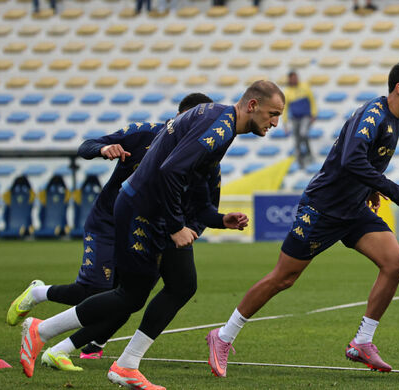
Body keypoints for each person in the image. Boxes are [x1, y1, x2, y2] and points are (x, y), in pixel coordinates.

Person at [18, 82, 285, 389]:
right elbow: (171, 171)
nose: (275, 123)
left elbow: (196, 187)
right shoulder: (220, 125)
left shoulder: (220, 123)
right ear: (252, 105)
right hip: (141, 210)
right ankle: (46, 333)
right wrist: (176, 227)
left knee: (181, 285)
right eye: (273, 113)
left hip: (153, 211)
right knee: (131, 295)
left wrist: (220, 219)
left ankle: (124, 363)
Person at [207, 63, 399, 377]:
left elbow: (363, 160)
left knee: (395, 264)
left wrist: (371, 186)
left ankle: (362, 342)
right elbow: (351, 158)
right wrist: (390, 188)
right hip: (323, 208)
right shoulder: (374, 114)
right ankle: (223, 336)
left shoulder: (392, 119)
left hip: (353, 209)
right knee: (283, 278)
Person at [5, 94, 213, 369]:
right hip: (108, 223)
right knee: (95, 289)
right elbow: (86, 145)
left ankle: (59, 350)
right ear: (180, 117)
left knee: (127, 300)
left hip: (147, 231)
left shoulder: (201, 153)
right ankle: (39, 295)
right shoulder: (143, 134)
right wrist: (103, 149)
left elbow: (202, 204)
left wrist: (191, 228)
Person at [283, 71, 317, 168]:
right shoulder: (287, 92)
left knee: (303, 133)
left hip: (305, 116)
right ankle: (300, 160)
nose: (295, 79)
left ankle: (308, 154)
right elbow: (285, 109)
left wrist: (313, 114)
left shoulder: (304, 87)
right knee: (297, 140)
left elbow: (312, 100)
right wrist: (285, 123)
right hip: (295, 118)